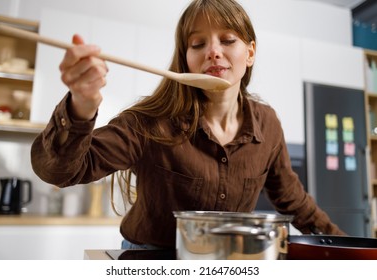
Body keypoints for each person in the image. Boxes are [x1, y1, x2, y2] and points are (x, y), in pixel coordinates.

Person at [31, 0, 345, 250]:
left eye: (227, 39)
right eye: (197, 44)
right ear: (186, 59)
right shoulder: (150, 121)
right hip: (149, 258)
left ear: (249, 52)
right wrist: (81, 103)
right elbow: (60, 171)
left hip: (226, 260)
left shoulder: (268, 123)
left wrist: (349, 250)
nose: (213, 52)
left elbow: (294, 200)